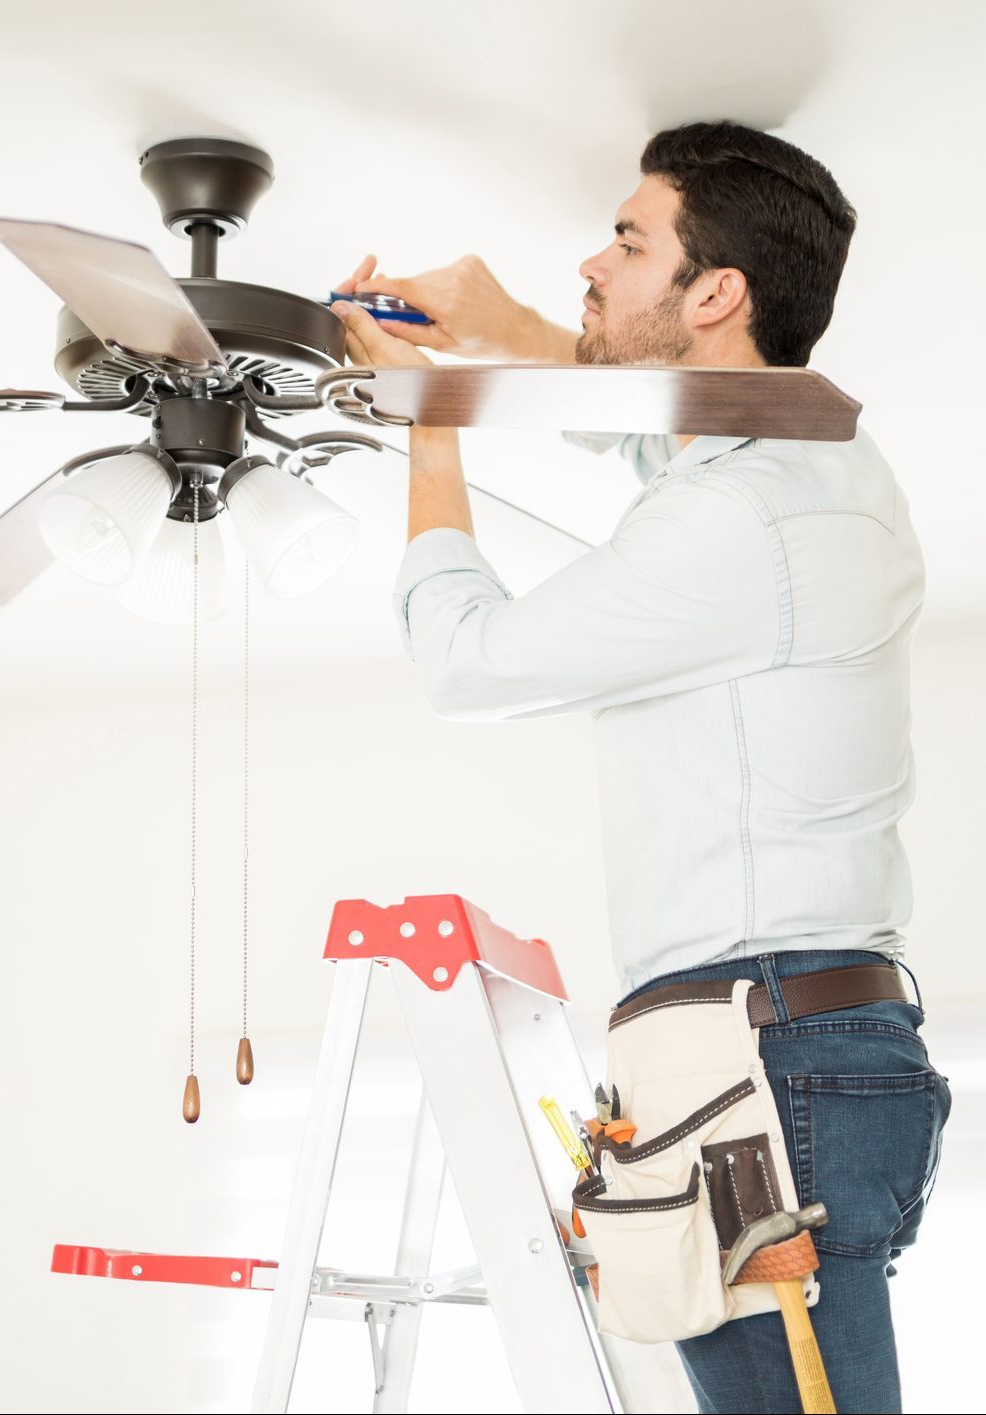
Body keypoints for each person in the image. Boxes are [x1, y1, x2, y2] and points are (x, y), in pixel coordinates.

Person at [330, 120, 951, 1415]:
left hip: (759, 1059)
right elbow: (648, 414)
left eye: (627, 241)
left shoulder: (739, 514)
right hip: (788, 1045)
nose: (592, 266)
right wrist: (499, 323)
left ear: (716, 292)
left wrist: (430, 429)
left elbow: (471, 661)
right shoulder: (809, 464)